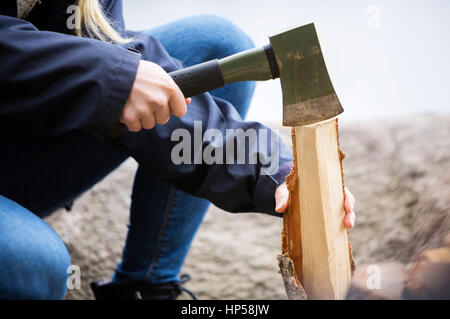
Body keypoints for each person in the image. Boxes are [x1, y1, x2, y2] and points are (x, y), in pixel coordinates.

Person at [0, 0, 356, 300]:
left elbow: (102, 50)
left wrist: (277, 174)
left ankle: (145, 286)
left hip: (23, 154)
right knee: (38, 265)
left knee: (215, 42)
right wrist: (106, 75)